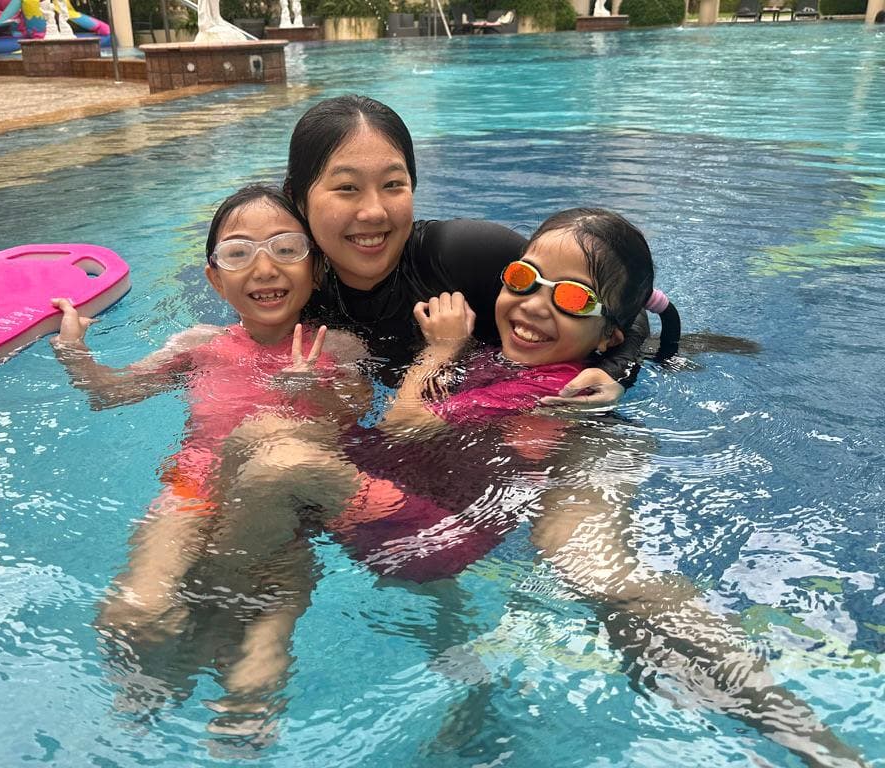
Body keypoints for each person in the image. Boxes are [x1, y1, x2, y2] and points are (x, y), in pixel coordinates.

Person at [375, 207, 867, 768]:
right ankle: (654, 674)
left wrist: (438, 351)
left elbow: (403, 425)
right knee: (601, 596)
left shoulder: (547, 380)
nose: (535, 304)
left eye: (573, 298)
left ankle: (814, 741)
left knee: (596, 571)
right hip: (570, 448)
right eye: (523, 279)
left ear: (609, 333)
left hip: (588, 452)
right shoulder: (535, 357)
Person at [51, 184, 370, 739]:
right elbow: (111, 394)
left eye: (285, 248)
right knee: (134, 613)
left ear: (316, 268)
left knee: (255, 668)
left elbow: (358, 419)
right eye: (239, 253)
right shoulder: (197, 343)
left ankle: (240, 730)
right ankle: (147, 704)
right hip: (191, 492)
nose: (264, 267)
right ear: (214, 278)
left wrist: (314, 387)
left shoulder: (339, 348)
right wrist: (75, 352)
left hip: (286, 516)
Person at [285, 94, 651, 405]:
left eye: (393, 184)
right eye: (347, 188)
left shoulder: (460, 255)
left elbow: (621, 302)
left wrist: (616, 372)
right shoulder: (289, 284)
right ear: (297, 199)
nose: (375, 211)